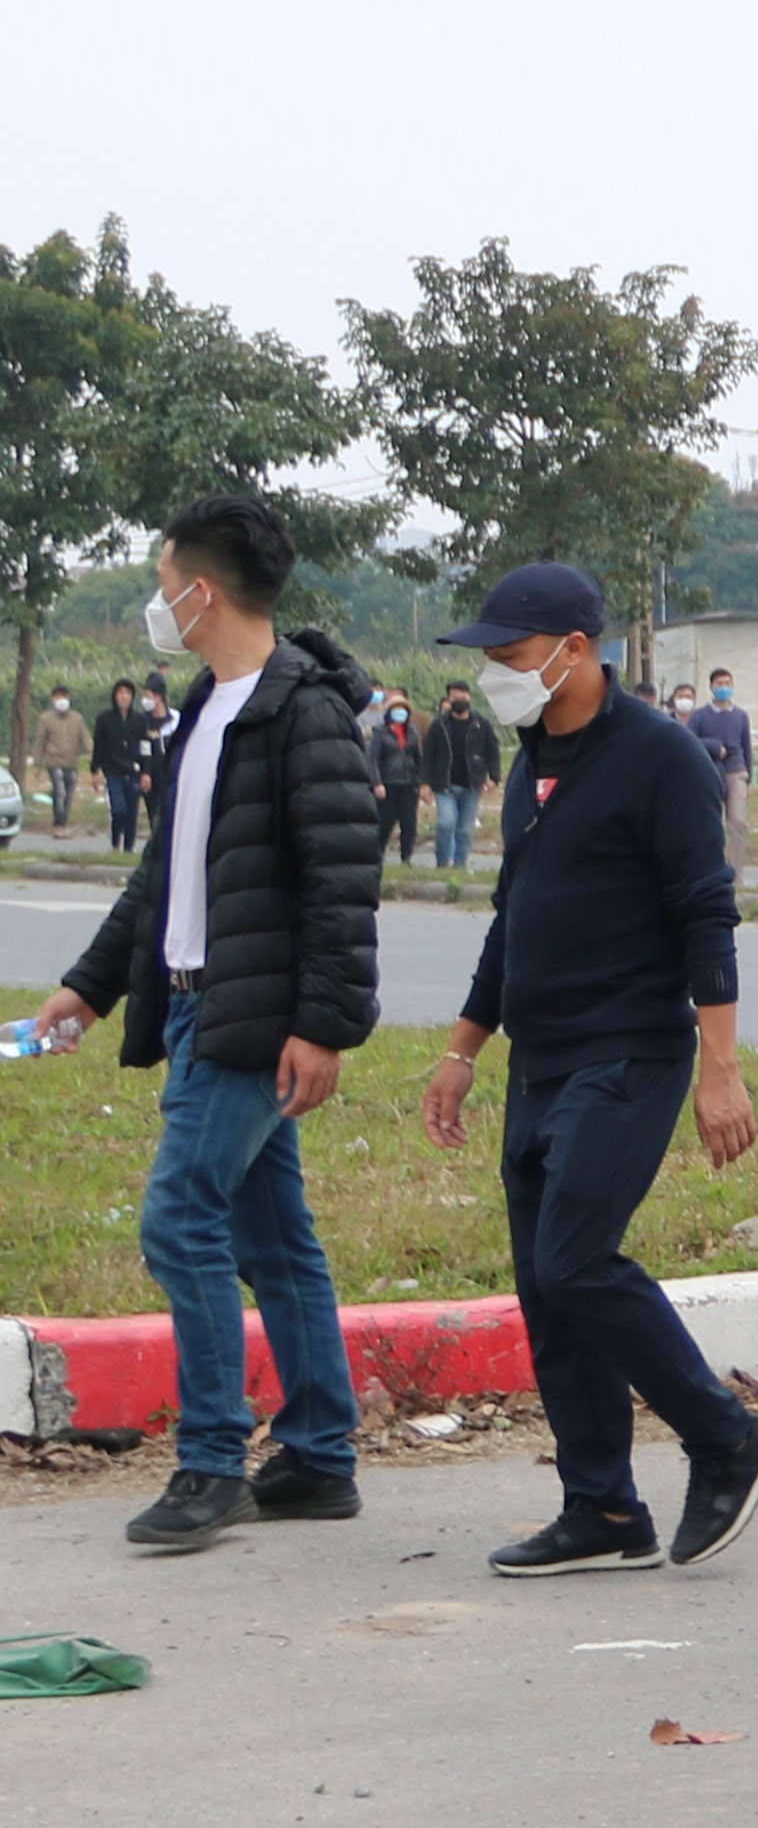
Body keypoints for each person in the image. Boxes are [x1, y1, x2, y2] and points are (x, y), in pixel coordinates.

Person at [412, 564, 758, 1576]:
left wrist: (722, 1068)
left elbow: (705, 913)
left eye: (509, 651)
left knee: (577, 1257)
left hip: (630, 1049)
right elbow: (515, 917)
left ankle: (728, 1438)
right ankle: (602, 1507)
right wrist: (461, 1049)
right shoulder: (535, 754)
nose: (495, 671)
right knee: (548, 1284)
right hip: (541, 1056)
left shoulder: (660, 756)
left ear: (574, 648)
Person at [29, 497, 385, 1555]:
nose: (156, 598)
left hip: (250, 1015)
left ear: (203, 590)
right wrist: (91, 985)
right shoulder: (208, 703)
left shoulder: (300, 711)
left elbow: (341, 882)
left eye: (162, 577)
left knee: (180, 1219)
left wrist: (321, 1025)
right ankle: (319, 1453)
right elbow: (165, 873)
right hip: (193, 1003)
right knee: (274, 1236)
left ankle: (213, 1457)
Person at [421, 680, 502, 870]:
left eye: (462, 696)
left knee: (465, 830)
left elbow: (493, 751)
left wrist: (494, 778)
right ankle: (442, 864)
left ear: (469, 698)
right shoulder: (439, 725)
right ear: (449, 699)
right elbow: (428, 755)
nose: (459, 700)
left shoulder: (481, 724)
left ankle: (460, 866)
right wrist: (424, 783)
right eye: (455, 697)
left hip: (472, 785)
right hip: (445, 784)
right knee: (446, 823)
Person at [686, 664, 757, 842]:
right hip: (710, 771)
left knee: (738, 822)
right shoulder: (699, 715)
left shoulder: (741, 715)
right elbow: (690, 742)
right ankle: (714, 864)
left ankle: (736, 867)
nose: (723, 687)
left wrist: (748, 776)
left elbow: (746, 746)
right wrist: (714, 747)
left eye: (727, 683)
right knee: (710, 821)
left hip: (736, 771)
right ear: (711, 687)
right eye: (719, 683)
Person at [91, 678, 150, 847]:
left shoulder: (140, 719)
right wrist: (95, 771)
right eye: (120, 693)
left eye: (127, 693)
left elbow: (145, 747)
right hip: (113, 771)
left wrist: (146, 772)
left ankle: (128, 849)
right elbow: (99, 745)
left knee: (132, 813)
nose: (124, 697)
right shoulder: (104, 719)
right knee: (119, 810)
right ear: (114, 696)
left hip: (134, 771)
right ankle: (115, 843)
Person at [370, 692, 424, 865]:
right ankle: (377, 855)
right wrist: (377, 782)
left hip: (408, 783)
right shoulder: (380, 732)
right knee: (385, 823)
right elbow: (373, 760)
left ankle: (406, 857)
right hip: (388, 783)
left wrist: (422, 782)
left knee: (409, 823)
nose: (400, 712)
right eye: (396, 709)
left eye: (403, 709)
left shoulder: (412, 733)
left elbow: (418, 758)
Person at [36, 687, 88, 842]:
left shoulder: (77, 718)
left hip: (71, 762)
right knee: (60, 792)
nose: (61, 700)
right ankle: (58, 825)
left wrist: (94, 755)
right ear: (52, 699)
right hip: (54, 761)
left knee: (69, 794)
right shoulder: (45, 719)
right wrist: (37, 763)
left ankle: (63, 822)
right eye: (57, 697)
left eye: (64, 696)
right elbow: (40, 741)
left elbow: (85, 738)